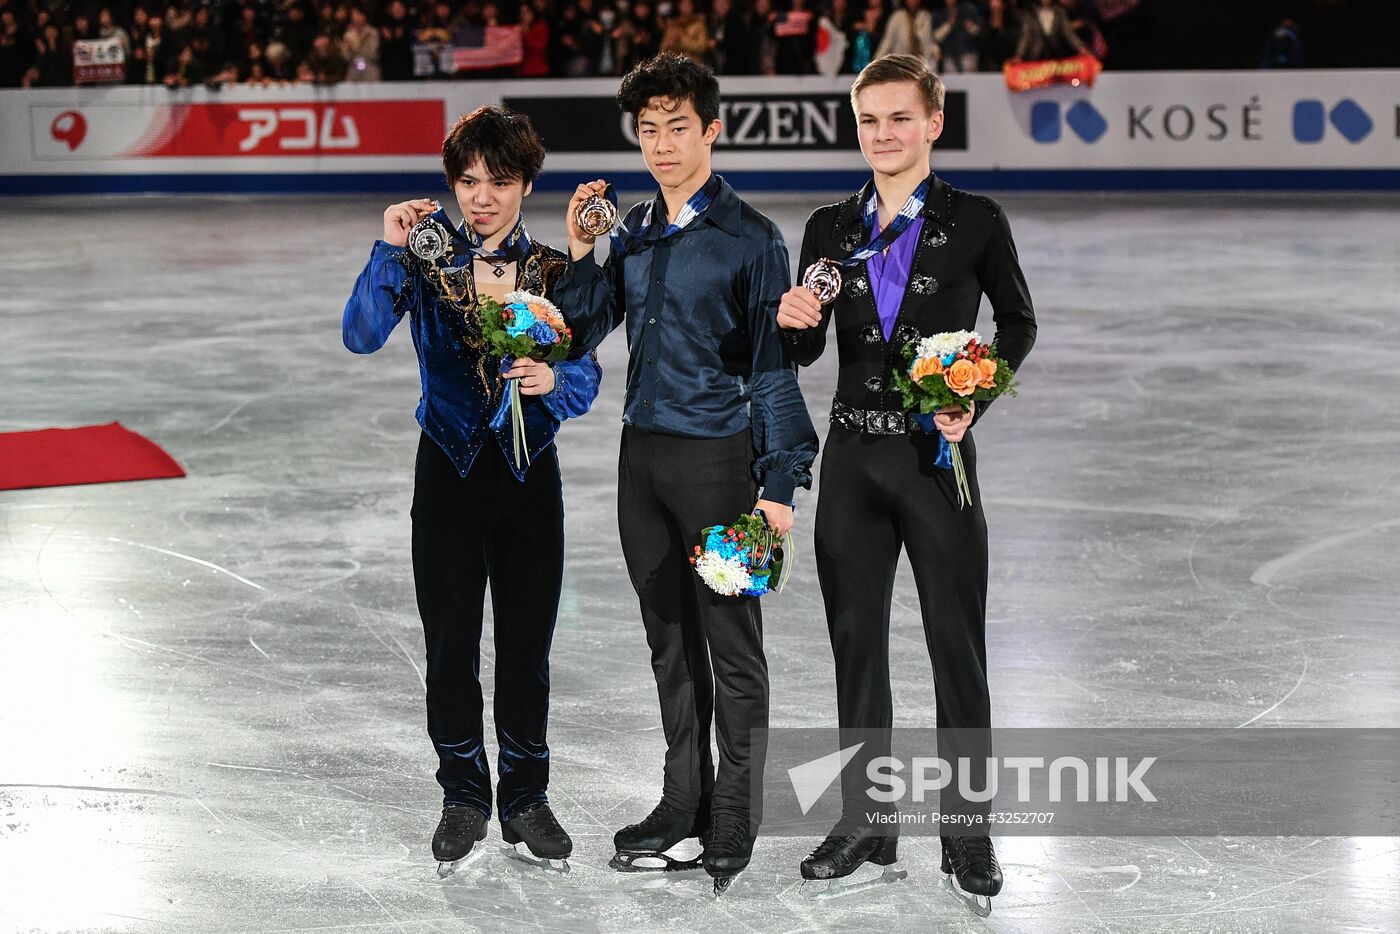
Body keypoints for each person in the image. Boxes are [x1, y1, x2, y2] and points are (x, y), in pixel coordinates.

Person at [776, 53, 1036, 910]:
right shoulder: (829, 226)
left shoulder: (975, 219)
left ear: (933, 123)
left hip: (936, 460)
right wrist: (795, 323)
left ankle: (968, 832)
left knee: (955, 649)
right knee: (857, 647)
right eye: (869, 121)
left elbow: (1019, 320)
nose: (883, 135)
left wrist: (974, 397)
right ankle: (867, 821)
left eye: (899, 118)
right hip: (853, 460)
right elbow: (806, 351)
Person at [553, 52, 818, 893]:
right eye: (648, 131)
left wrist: (778, 485)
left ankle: (734, 814)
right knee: (670, 645)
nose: (662, 146)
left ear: (712, 129)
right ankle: (684, 802)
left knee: (732, 649)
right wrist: (581, 252)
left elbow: (777, 370)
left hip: (720, 465)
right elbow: (578, 332)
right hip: (643, 467)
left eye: (678, 128)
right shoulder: (631, 231)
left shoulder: (753, 240)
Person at [341, 107, 603, 875]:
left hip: (529, 480)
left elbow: (586, 372)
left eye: (498, 181)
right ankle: (463, 795)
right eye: (467, 182)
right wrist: (388, 247)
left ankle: (525, 799)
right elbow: (360, 334)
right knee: (450, 648)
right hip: (447, 474)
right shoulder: (424, 259)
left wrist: (556, 378)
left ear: (526, 184)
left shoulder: (552, 271)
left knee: (527, 651)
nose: (481, 197)